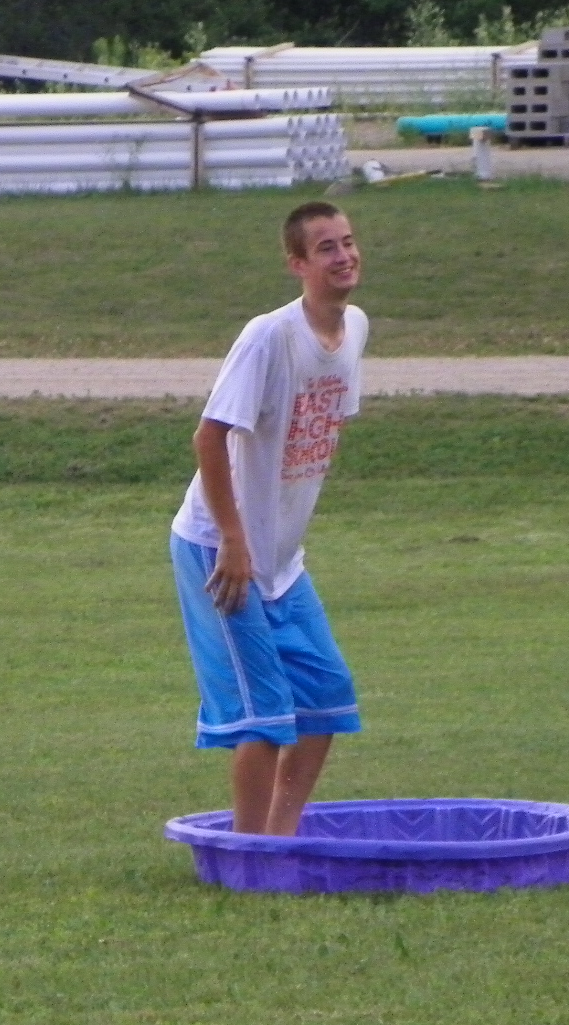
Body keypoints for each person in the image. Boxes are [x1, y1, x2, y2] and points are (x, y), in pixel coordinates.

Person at [170, 201, 368, 836]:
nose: (344, 256)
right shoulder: (269, 336)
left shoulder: (355, 328)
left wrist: (274, 534)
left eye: (348, 242)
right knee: (264, 715)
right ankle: (249, 855)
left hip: (281, 560)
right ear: (297, 264)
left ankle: (279, 838)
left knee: (326, 695)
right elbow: (209, 437)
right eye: (326, 248)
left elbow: (320, 426)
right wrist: (234, 539)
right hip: (219, 547)